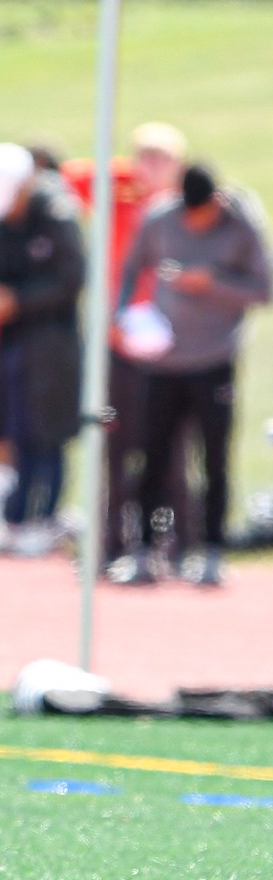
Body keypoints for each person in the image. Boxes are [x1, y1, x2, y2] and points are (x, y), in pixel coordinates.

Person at [114, 164, 270, 585]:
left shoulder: (242, 222)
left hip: (214, 358)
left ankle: (212, 551)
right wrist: (127, 314)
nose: (193, 223)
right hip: (163, 358)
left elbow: (264, 288)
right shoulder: (161, 217)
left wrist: (213, 283)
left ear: (216, 202)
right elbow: (133, 268)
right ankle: (145, 551)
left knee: (214, 458)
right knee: (152, 454)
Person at [64, 123, 188, 570]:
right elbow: (70, 176)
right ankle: (113, 541)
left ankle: (173, 542)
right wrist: (127, 172)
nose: (151, 167)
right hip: (119, 342)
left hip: (174, 351)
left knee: (171, 448)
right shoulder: (121, 200)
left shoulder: (184, 210)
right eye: (144, 157)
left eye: (162, 159)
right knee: (114, 440)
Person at [0, 144, 83, 557]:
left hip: (52, 346)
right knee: (13, 430)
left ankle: (44, 519)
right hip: (12, 343)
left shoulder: (59, 214)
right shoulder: (3, 223)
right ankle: (12, 521)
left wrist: (18, 300)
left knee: (47, 434)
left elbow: (71, 280)